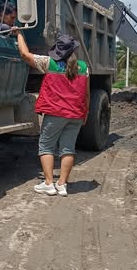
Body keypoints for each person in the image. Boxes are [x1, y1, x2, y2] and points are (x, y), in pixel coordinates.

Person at [14, 29, 90, 197]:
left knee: (46, 146)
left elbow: (25, 55)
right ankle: (62, 184)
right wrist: (85, 113)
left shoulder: (50, 63)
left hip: (56, 113)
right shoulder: (84, 68)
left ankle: (49, 183)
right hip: (76, 114)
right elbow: (86, 94)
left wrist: (19, 34)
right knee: (68, 148)